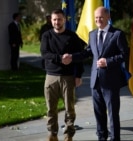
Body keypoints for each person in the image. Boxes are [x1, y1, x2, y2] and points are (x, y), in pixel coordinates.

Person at [63, 6, 130, 141]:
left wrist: (108, 61)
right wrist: (72, 57)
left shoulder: (117, 34)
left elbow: (125, 54)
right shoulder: (92, 34)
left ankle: (115, 138)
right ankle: (102, 137)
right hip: (95, 81)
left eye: (101, 17)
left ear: (108, 17)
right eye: (96, 18)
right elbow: (87, 52)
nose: (98, 20)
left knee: (112, 114)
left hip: (111, 81)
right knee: (99, 113)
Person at [40, 9, 84, 141]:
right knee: (50, 108)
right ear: (51, 20)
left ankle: (68, 135)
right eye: (54, 19)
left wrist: (78, 75)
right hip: (51, 76)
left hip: (68, 77)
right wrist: (60, 58)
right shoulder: (46, 35)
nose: (57, 22)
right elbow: (44, 53)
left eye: (59, 19)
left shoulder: (72, 36)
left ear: (64, 20)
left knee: (69, 108)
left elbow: (80, 56)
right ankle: (53, 134)